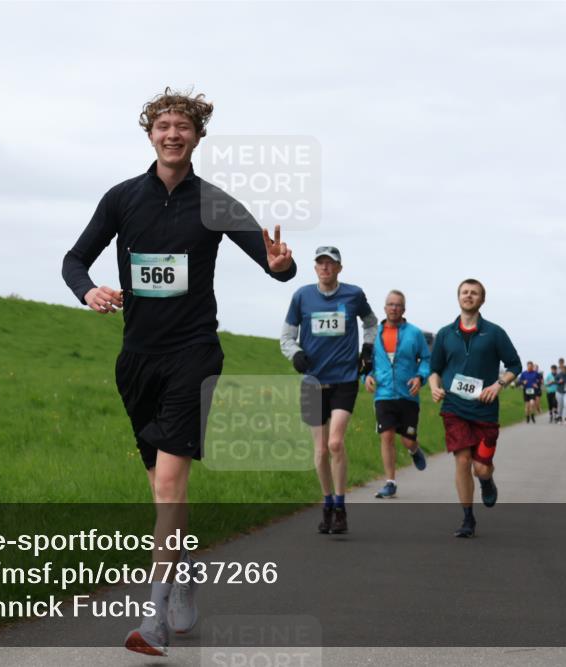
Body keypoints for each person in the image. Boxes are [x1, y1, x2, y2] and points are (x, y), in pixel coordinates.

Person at [62, 88, 297, 657]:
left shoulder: (215, 203)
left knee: (169, 486)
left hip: (193, 354)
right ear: (150, 135)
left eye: (183, 126)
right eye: (163, 125)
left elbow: (274, 267)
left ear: (197, 137)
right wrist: (88, 289)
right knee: (162, 491)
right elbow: (73, 260)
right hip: (136, 361)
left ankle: (153, 618)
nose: (173, 133)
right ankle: (184, 572)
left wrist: (282, 265)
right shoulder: (121, 199)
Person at [281, 246, 376, 534]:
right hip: (312, 380)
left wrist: (368, 349)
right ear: (315, 268)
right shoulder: (302, 296)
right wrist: (295, 354)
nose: (325, 268)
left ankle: (341, 506)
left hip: (344, 378)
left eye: (330, 263)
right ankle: (327, 503)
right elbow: (287, 335)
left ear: (339, 268)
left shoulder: (353, 295)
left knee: (335, 443)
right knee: (320, 450)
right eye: (320, 263)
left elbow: (371, 323)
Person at [428, 279, 521, 538]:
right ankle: (468, 518)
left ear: (482, 300)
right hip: (454, 407)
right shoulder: (445, 334)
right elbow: (434, 370)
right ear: (458, 297)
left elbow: (515, 365)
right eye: (464, 292)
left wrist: (498, 385)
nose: (468, 296)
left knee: (480, 467)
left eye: (474, 293)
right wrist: (434, 387)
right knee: (462, 460)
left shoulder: (494, 333)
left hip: (485, 410)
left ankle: (486, 480)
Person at [363, 290, 430, 498]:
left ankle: (414, 450)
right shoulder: (374, 335)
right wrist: (366, 377)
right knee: (387, 436)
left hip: (408, 394)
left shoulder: (415, 333)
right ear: (384, 308)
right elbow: (365, 362)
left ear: (404, 309)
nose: (393, 308)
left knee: (407, 440)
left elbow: (426, 359)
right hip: (383, 394)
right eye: (390, 304)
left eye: (398, 305)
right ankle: (390, 482)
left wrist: (420, 378)